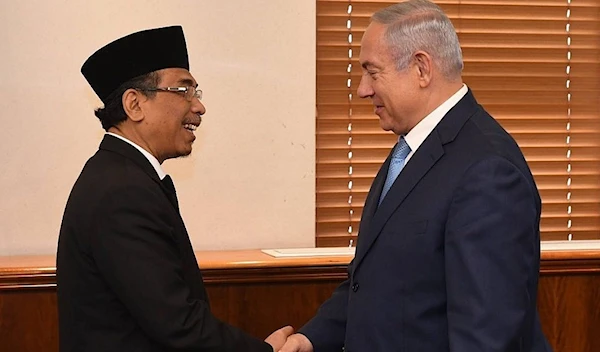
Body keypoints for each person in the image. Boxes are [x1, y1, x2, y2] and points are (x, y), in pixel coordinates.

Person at [280, 1, 552, 351]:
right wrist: (310, 338)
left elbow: (486, 336)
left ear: (422, 68)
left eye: (372, 72)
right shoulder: (411, 150)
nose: (362, 89)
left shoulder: (488, 172)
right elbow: (377, 279)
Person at [56, 26, 292, 352]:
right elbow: (176, 323)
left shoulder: (119, 176)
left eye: (197, 93)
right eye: (184, 91)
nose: (198, 107)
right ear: (135, 105)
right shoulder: (122, 193)